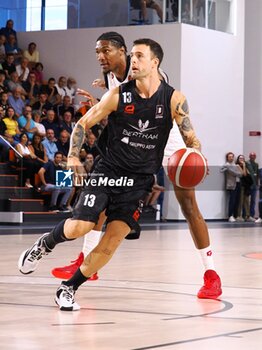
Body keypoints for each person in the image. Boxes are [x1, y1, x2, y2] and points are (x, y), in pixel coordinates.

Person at [19, 38, 220, 311]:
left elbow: (191, 138)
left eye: (139, 56)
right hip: (109, 170)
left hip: (140, 180)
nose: (134, 62)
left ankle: (69, 288)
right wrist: (73, 155)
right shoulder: (117, 93)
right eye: (132, 56)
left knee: (113, 240)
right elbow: (83, 122)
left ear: (154, 62)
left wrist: (197, 154)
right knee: (81, 225)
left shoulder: (174, 98)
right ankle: (47, 243)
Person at [220, 152, 242, 222]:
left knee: (237, 200)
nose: (231, 158)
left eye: (232, 156)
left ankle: (235, 216)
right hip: (231, 185)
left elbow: (240, 174)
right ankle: (230, 216)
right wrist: (231, 170)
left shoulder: (235, 165)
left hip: (238, 183)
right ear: (227, 158)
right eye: (230, 157)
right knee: (232, 201)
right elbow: (221, 170)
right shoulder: (226, 165)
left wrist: (231, 170)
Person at [246, 152, 259, 220]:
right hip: (248, 185)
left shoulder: (256, 164)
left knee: (253, 201)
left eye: (254, 155)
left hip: (255, 185)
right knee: (246, 201)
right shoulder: (246, 163)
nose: (252, 157)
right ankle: (246, 215)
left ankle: (252, 215)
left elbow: (256, 174)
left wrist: (257, 184)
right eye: (251, 155)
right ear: (249, 156)